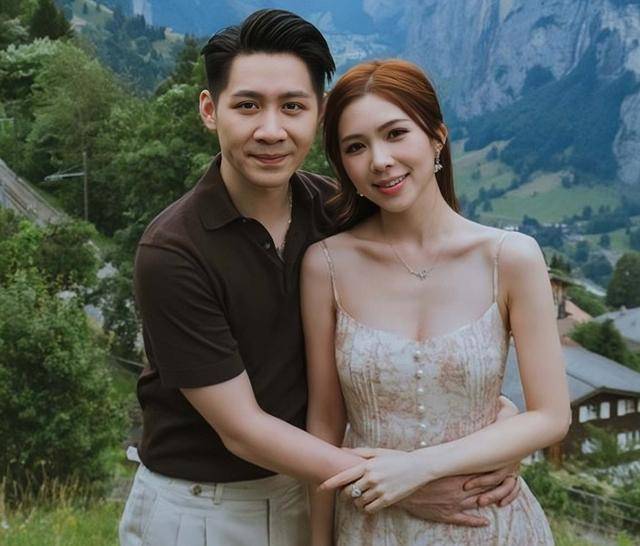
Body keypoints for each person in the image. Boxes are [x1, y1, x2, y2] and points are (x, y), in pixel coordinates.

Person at [119, 10, 522, 546]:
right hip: (208, 508)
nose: (271, 130)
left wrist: (493, 426)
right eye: (247, 105)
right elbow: (242, 430)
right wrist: (407, 485)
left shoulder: (336, 211)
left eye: (292, 106)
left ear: (320, 111)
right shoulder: (173, 252)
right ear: (210, 110)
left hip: (322, 489)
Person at [302, 59, 571, 545]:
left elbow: (551, 415)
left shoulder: (510, 257)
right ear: (343, 165)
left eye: (396, 133)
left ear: (437, 137)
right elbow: (325, 423)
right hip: (372, 528)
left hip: (490, 525)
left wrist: (420, 468)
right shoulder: (326, 265)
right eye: (356, 147)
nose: (380, 160)